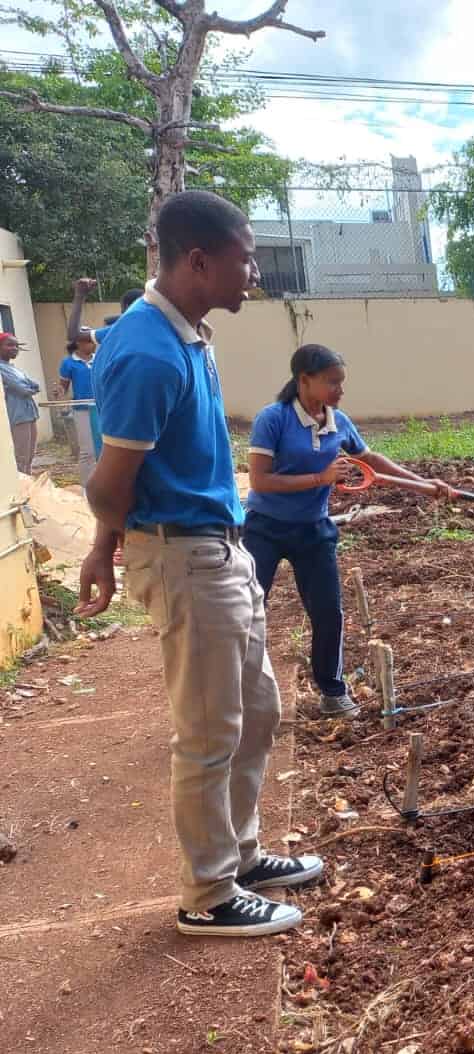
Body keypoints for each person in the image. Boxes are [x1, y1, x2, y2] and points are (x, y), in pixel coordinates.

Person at [75, 190, 320, 938]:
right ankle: (207, 895)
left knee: (258, 713)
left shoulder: (187, 335)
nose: (254, 273)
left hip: (219, 547)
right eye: (247, 258)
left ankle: (238, 855)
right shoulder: (147, 351)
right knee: (208, 730)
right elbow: (108, 484)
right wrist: (107, 548)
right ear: (199, 260)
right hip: (185, 557)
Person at [244, 343, 450, 717]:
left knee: (328, 611)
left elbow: (371, 461)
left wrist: (424, 482)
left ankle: (332, 692)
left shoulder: (339, 420)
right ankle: (242, 697)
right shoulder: (272, 419)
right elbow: (259, 481)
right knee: (248, 610)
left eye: (341, 382)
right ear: (305, 380)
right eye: (333, 382)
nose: (340, 390)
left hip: (313, 529)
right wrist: (319, 478)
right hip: (265, 528)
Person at [57, 331, 101, 479]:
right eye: (89, 341)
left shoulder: (99, 359)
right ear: (79, 343)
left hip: (102, 409)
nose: (93, 344)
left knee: (103, 448)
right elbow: (63, 387)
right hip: (82, 410)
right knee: (87, 451)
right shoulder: (69, 363)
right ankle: (86, 487)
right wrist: (59, 393)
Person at [1, 331, 41, 475]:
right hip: (17, 415)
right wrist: (28, 387)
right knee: (21, 456)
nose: (15, 348)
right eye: (10, 345)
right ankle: (21, 490)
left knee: (30, 455)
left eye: (17, 345)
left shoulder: (13, 368)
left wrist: (27, 387)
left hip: (29, 413)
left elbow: (35, 385)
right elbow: (23, 390)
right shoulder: (1, 368)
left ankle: (28, 486)